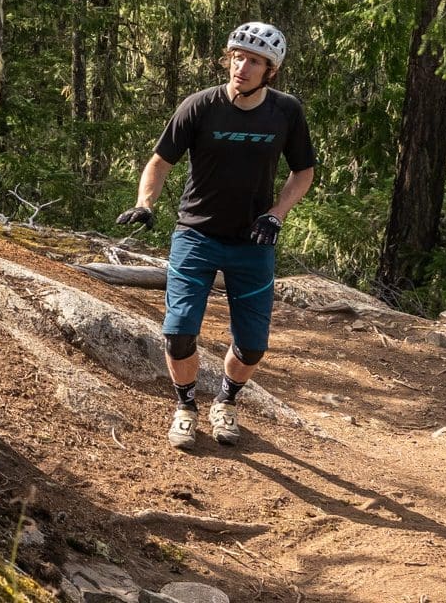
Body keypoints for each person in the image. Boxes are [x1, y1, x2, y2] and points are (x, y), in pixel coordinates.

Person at [115, 22, 316, 449]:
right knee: (179, 331)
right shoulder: (200, 106)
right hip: (196, 235)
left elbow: (304, 172)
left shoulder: (286, 112)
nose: (242, 66)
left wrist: (277, 214)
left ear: (270, 71)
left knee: (252, 346)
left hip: (253, 241)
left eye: (254, 61)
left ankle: (226, 402)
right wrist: (145, 203)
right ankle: (186, 407)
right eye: (237, 57)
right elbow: (160, 161)